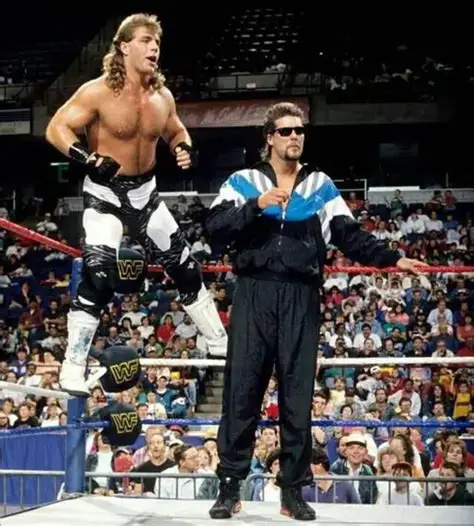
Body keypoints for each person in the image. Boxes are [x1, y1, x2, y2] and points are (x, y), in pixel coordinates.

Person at [205, 102, 427, 521]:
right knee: (241, 392)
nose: (295, 136)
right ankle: (230, 486)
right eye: (286, 131)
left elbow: (350, 236)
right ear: (269, 138)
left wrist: (392, 258)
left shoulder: (320, 185)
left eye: (300, 130)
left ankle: (292, 491)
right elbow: (214, 228)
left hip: (301, 296)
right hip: (253, 293)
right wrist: (256, 205)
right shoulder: (244, 181)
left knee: (297, 395)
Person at [45, 13, 227, 396]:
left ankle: (219, 343)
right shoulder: (97, 92)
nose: (154, 47)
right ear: (124, 47)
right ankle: (72, 367)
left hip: (147, 195)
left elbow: (176, 129)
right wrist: (87, 158)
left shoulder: (162, 96)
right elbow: (56, 128)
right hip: (105, 196)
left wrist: (182, 146)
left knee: (185, 267)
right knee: (98, 275)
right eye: (145, 40)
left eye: (157, 42)